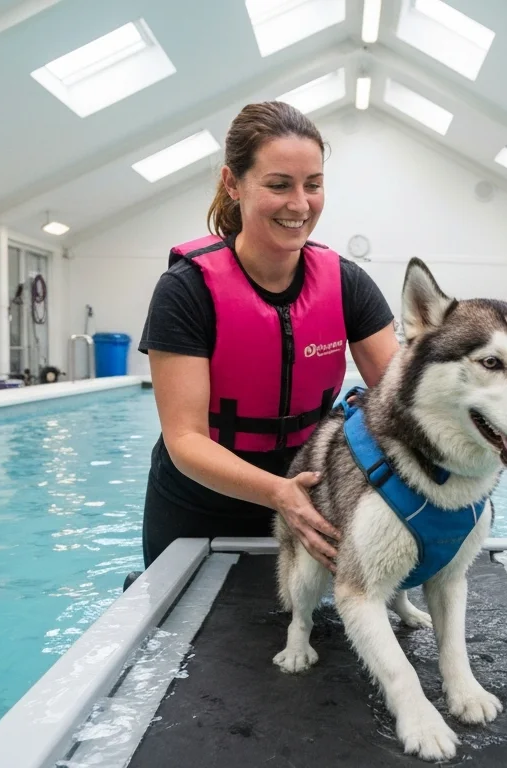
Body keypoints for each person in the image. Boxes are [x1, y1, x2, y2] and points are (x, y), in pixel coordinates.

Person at [135, 101, 400, 576]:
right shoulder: (186, 290)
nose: (300, 204)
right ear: (232, 183)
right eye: (279, 185)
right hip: (198, 507)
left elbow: (404, 402)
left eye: (313, 185)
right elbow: (185, 439)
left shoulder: (347, 285)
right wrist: (280, 493)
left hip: (311, 494)